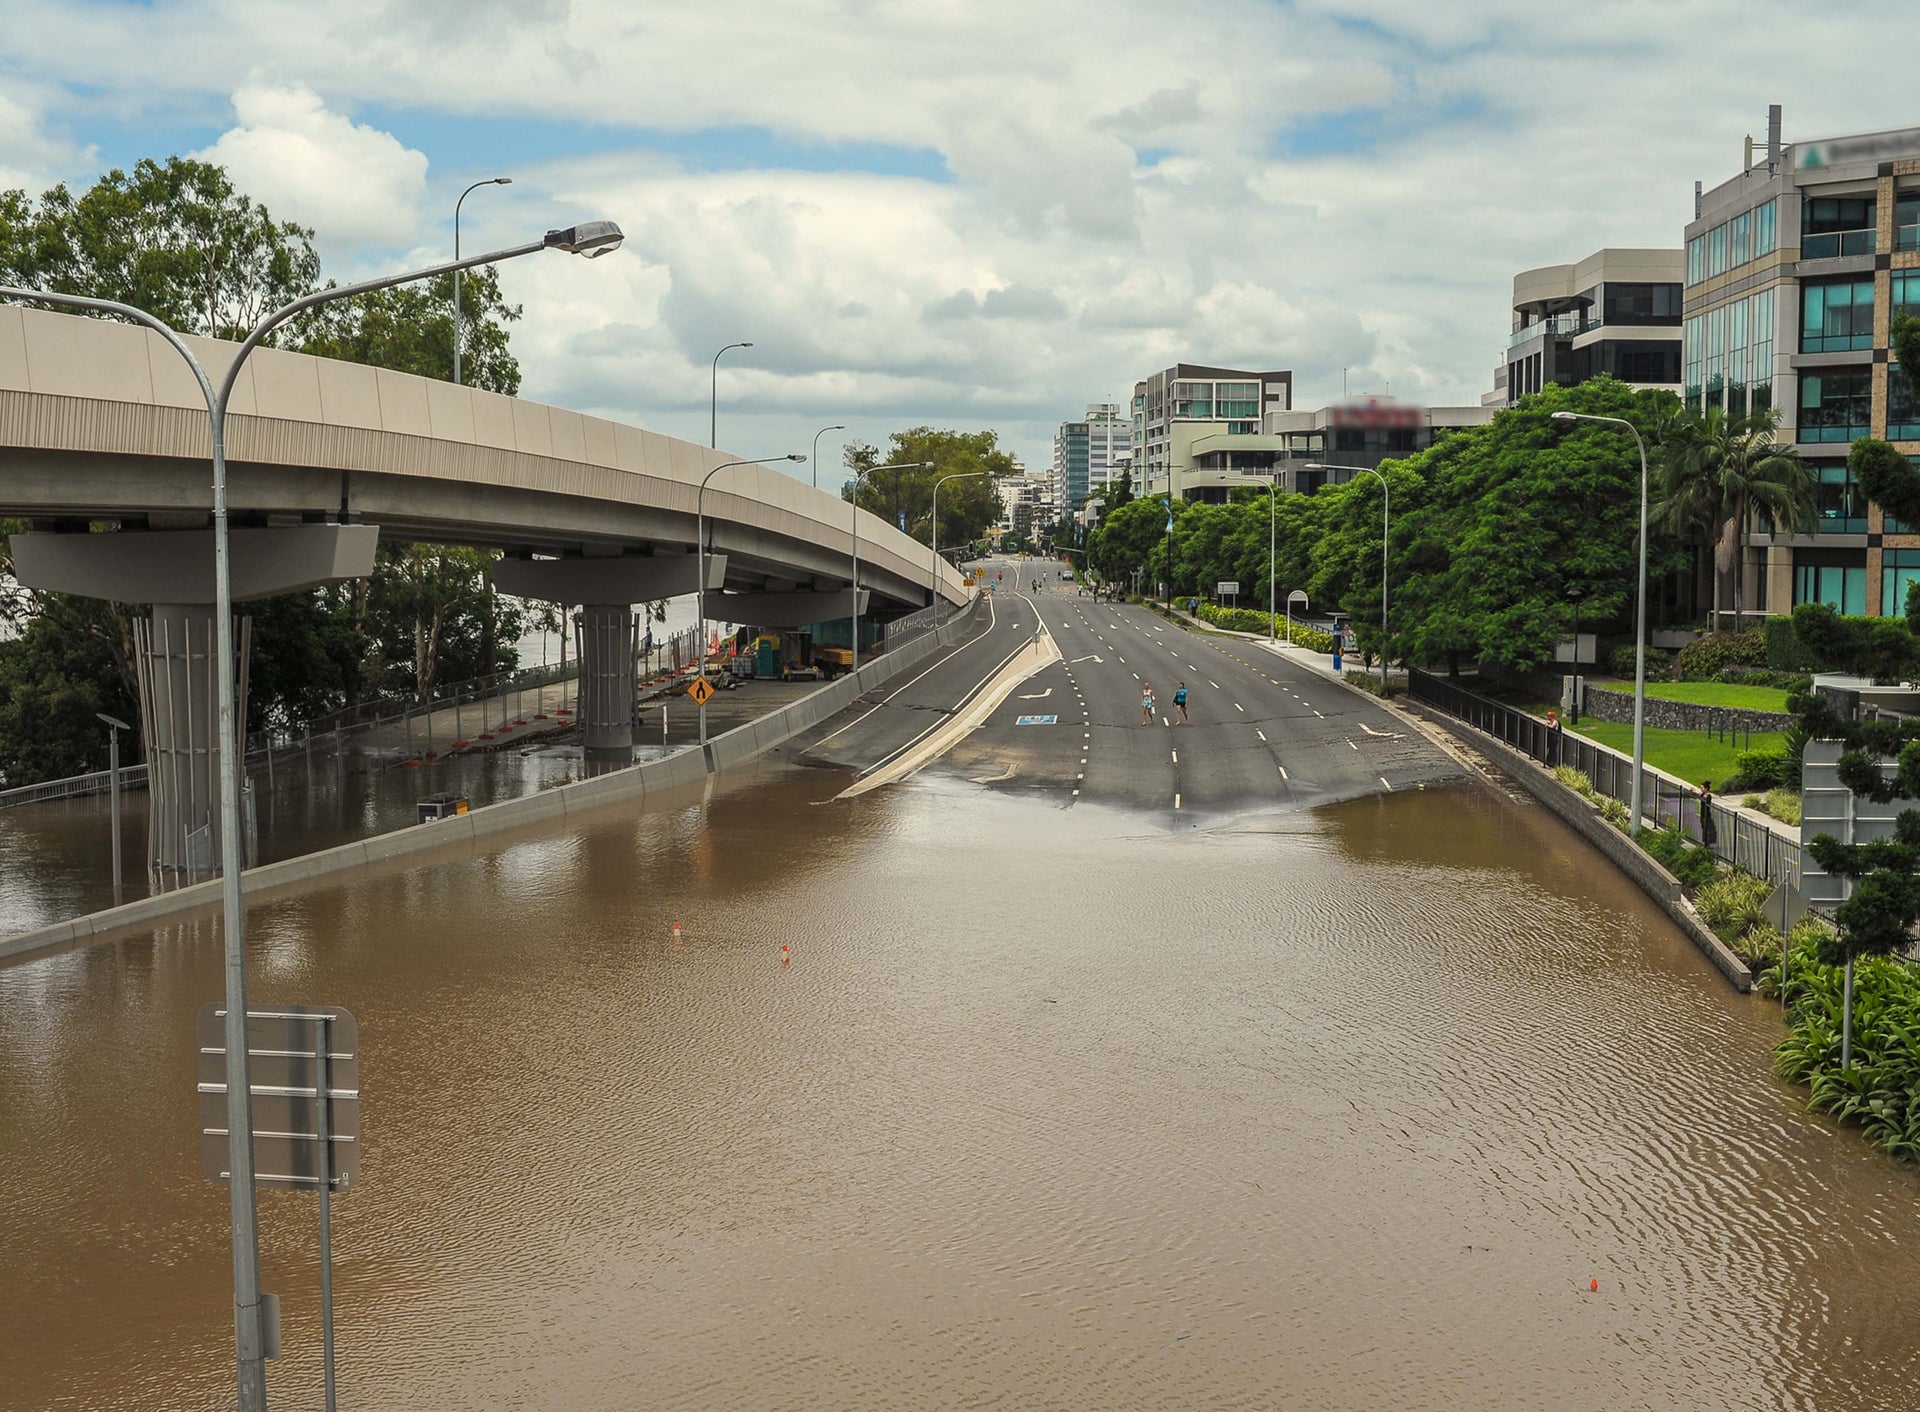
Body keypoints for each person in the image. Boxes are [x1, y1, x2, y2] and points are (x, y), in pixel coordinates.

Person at [1699, 779, 1718, 851]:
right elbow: (1700, 797)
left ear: (1706, 789)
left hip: (1707, 815)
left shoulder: (1708, 796)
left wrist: (1704, 798)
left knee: (1709, 829)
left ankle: (1709, 843)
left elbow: (1706, 800)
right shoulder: (1702, 795)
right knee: (1704, 828)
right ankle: (1705, 843)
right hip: (1702, 814)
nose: (1701, 789)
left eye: (1702, 788)